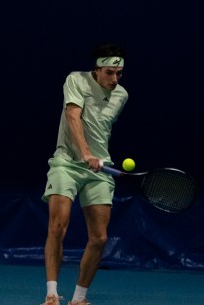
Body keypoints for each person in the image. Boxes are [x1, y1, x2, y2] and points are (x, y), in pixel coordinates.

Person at [41, 43, 128, 305]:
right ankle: (52, 294)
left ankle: (79, 298)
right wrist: (85, 153)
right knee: (58, 226)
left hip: (99, 168)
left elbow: (100, 130)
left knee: (99, 238)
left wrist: (95, 158)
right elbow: (73, 115)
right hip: (66, 163)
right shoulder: (75, 80)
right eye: (109, 72)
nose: (115, 79)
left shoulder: (122, 95)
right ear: (97, 69)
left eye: (119, 73)